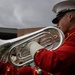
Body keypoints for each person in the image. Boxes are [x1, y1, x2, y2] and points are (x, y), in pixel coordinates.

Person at [25, 1, 75, 75]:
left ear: (70, 17)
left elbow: (52, 62)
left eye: (58, 20)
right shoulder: (68, 37)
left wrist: (32, 44)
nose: (57, 25)